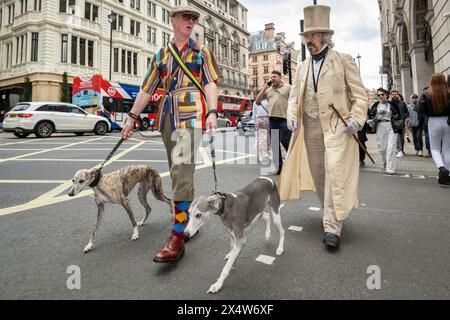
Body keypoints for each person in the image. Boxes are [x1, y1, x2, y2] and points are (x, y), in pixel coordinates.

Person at [121, 5, 222, 262]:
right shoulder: (161, 56)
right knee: (180, 171)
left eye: (194, 19)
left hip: (191, 114)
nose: (191, 22)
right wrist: (132, 118)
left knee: (179, 171)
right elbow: (146, 89)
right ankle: (186, 219)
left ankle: (177, 237)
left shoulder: (202, 52)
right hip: (167, 117)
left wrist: (212, 112)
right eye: (186, 17)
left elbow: (211, 83)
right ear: (172, 20)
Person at [279, 5, 369, 249]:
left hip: (337, 127)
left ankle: (332, 225)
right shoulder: (303, 66)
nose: (308, 40)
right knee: (319, 174)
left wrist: (356, 118)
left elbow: (361, 96)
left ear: (325, 37)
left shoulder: (343, 60)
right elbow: (295, 96)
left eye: (312, 35)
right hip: (310, 126)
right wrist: (291, 115)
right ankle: (329, 211)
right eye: (306, 36)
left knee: (333, 173)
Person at [255, 70, 292, 175]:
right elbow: (257, 101)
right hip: (272, 120)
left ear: (281, 77)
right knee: (275, 146)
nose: (272, 79)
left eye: (275, 76)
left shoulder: (288, 87)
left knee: (286, 143)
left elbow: (295, 100)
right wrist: (265, 88)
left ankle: (293, 165)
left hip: (284, 119)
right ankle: (279, 168)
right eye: (271, 77)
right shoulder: (269, 90)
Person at [418, 73, 450, 185]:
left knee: (435, 148)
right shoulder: (448, 93)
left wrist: (429, 113)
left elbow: (420, 109)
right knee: (447, 148)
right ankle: (447, 173)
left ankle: (441, 169)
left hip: (433, 121)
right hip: (447, 121)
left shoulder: (426, 94)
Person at [367, 88, 402, 175]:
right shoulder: (376, 105)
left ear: (387, 95)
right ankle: (385, 161)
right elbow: (371, 116)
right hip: (380, 126)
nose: (380, 96)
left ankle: (390, 168)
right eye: (379, 95)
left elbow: (399, 116)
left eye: (382, 94)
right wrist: (375, 117)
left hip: (391, 126)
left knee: (391, 148)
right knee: (382, 148)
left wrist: (397, 121)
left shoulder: (392, 105)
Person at [390, 90, 409, 158]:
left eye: (395, 94)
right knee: (396, 137)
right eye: (393, 94)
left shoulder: (402, 103)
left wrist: (403, 118)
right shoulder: (389, 104)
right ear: (391, 96)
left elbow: (407, 112)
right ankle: (398, 150)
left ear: (398, 95)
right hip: (393, 123)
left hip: (401, 123)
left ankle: (401, 150)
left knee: (401, 138)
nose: (394, 95)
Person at [252, 98, 271, 164]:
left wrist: (255, 122)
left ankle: (263, 154)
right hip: (264, 120)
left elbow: (254, 114)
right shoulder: (267, 101)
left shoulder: (256, 102)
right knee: (265, 138)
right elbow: (254, 113)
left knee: (261, 138)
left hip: (260, 120)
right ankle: (266, 154)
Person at [358, 89, 372, 167]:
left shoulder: (365, 104)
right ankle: (356, 159)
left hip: (361, 126)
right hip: (352, 125)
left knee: (361, 141)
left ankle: (361, 159)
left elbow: (370, 113)